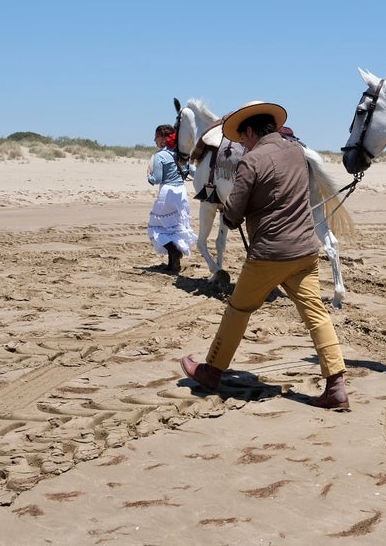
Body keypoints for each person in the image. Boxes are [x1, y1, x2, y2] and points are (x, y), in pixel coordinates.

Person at [179, 101, 350, 410]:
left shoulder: (251, 161)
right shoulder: (297, 151)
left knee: (238, 309)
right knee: (316, 314)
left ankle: (211, 370)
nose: (241, 143)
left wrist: (230, 215)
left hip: (270, 254)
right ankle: (336, 385)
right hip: (306, 251)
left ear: (250, 131)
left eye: (242, 137)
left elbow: (232, 213)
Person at [147, 123, 197, 273]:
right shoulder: (182, 154)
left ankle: (174, 253)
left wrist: (148, 176)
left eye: (156, 137)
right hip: (181, 193)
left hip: (167, 192)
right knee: (175, 228)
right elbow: (193, 172)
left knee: (157, 228)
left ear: (162, 139)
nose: (155, 141)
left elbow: (157, 178)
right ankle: (173, 264)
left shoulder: (160, 155)